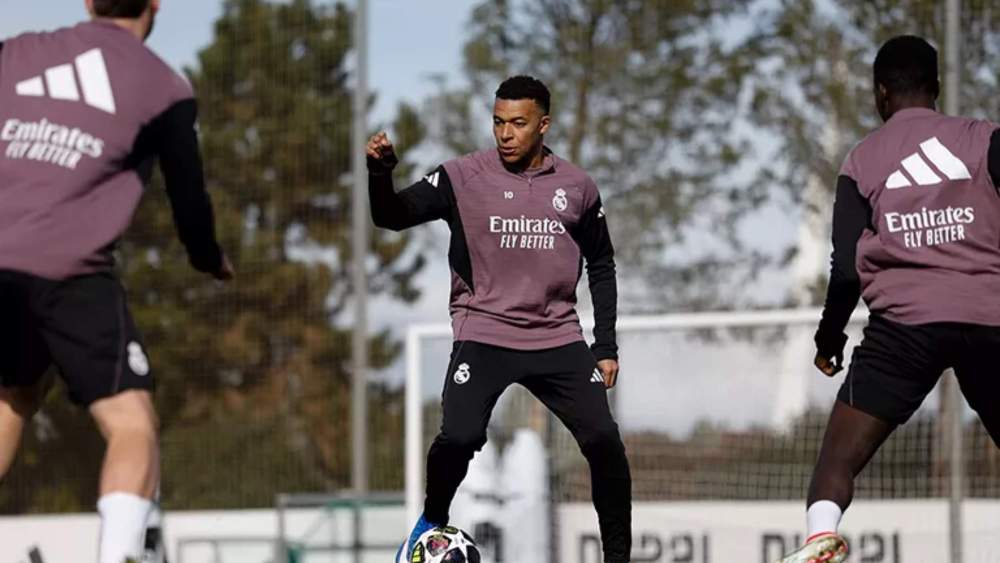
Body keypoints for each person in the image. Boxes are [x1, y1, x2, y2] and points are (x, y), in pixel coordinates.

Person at [0, 1, 233, 562]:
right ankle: (119, 555)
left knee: (14, 394)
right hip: (70, 273)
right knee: (131, 423)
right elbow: (189, 199)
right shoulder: (165, 88)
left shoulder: (15, 53)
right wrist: (207, 257)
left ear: (86, 0)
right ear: (155, 4)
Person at [369, 75, 632, 563]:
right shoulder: (462, 176)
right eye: (497, 122)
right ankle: (429, 523)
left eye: (518, 123)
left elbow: (602, 264)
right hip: (484, 332)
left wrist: (606, 344)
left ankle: (618, 556)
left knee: (603, 440)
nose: (505, 133)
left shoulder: (578, 187)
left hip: (556, 336)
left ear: (543, 125)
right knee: (461, 436)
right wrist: (380, 174)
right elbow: (391, 216)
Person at [777, 35, 1000, 563]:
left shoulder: (862, 162)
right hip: (989, 320)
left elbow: (848, 269)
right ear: (937, 89)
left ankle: (819, 537)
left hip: (902, 331)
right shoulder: (985, 140)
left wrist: (829, 339)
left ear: (880, 94)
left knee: (837, 459)